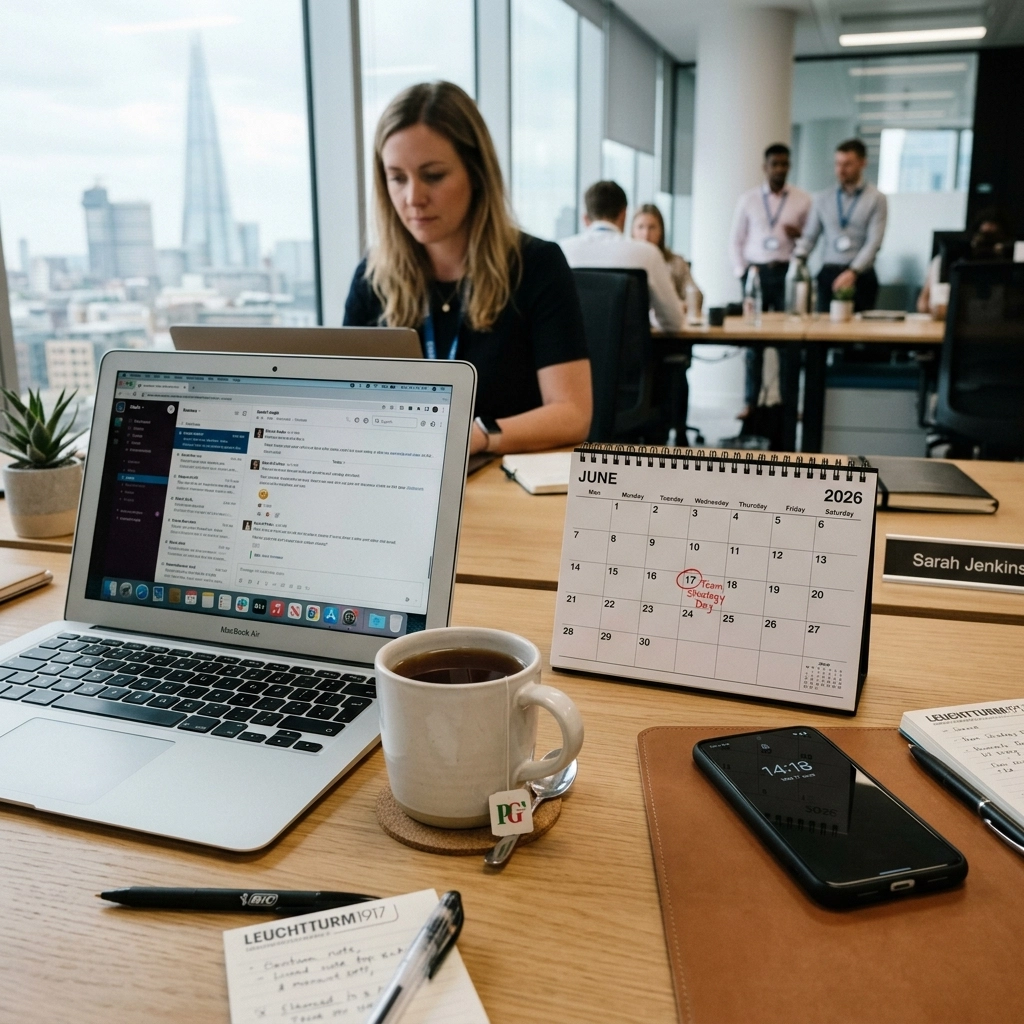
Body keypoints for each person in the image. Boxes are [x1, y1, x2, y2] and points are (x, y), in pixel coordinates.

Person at [344, 81, 592, 456]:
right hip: (400, 478)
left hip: (501, 478)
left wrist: (476, 436)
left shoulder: (536, 265)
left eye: (433, 175)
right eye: (397, 178)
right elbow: (344, 404)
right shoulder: (372, 278)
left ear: (475, 173)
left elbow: (572, 414)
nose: (413, 198)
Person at [728, 142, 811, 427]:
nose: (779, 169)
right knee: (754, 344)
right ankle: (750, 402)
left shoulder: (802, 200)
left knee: (790, 344)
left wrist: (798, 235)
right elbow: (735, 240)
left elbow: (810, 240)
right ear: (765, 167)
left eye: (784, 164)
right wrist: (743, 274)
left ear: (789, 166)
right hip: (756, 275)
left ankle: (791, 404)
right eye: (774, 164)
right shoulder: (748, 200)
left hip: (787, 273)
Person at [560, 182, 684, 332]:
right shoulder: (648, 253)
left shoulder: (561, 251)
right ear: (624, 214)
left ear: (585, 218)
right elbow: (673, 323)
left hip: (575, 353)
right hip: (631, 354)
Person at [794, 138, 888, 312]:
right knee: (824, 333)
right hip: (829, 274)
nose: (841, 170)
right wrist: (798, 260)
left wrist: (854, 271)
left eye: (847, 164)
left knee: (859, 333)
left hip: (861, 275)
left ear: (862, 163)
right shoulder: (822, 198)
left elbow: (874, 242)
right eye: (838, 164)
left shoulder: (876, 199)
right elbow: (810, 237)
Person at [917, 207, 1014, 316]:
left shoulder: (1012, 268)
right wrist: (934, 308)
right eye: (983, 238)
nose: (986, 247)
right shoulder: (948, 262)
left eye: (993, 240)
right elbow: (923, 302)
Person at [631, 203, 699, 307]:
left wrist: (683, 305)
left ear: (661, 231)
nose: (646, 234)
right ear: (632, 231)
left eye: (652, 227)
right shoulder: (626, 262)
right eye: (640, 227)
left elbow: (695, 294)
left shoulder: (676, 263)